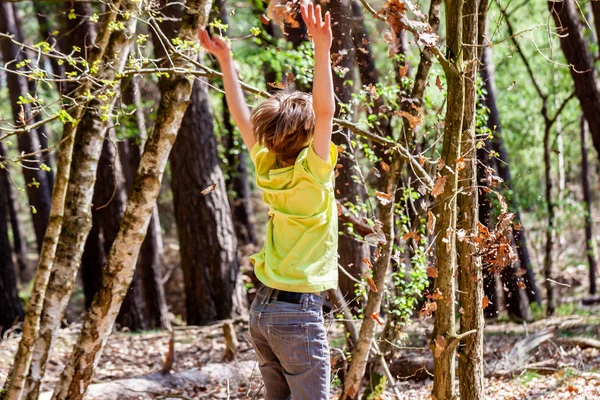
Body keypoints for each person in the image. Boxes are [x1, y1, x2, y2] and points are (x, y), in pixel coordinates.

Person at [199, 2, 337, 399]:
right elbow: (325, 112)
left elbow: (242, 118)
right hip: (297, 314)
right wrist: (321, 47)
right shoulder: (312, 172)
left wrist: (226, 60)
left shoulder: (266, 165)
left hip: (262, 312)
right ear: (309, 137)